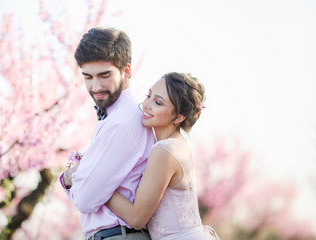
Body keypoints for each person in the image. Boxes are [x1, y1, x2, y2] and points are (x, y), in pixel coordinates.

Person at [60, 27, 155, 240]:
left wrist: (71, 178)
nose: (96, 86)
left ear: (127, 71)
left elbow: (85, 200)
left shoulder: (122, 122)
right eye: (88, 77)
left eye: (105, 76)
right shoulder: (120, 117)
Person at [106, 72, 220, 239]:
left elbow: (136, 218)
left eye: (158, 102)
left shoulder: (165, 151)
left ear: (179, 117)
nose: (146, 104)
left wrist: (99, 185)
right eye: (148, 96)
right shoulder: (178, 145)